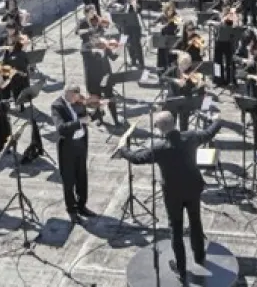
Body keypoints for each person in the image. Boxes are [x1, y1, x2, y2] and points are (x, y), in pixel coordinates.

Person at [115, 110, 224, 282]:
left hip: (173, 193)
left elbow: (137, 158)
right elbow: (210, 132)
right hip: (193, 187)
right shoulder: (190, 137)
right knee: (195, 221)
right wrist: (218, 120)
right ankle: (199, 256)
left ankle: (181, 269)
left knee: (176, 229)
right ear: (174, 122)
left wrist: (123, 150)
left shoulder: (158, 148)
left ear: (159, 128)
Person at [51, 84, 95, 223]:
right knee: (69, 179)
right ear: (67, 93)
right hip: (68, 148)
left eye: (78, 96)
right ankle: (71, 209)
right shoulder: (57, 106)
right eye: (74, 96)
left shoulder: (77, 102)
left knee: (82, 176)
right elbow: (61, 128)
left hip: (81, 144)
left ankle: (82, 205)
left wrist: (95, 109)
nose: (77, 99)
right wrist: (79, 122)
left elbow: (85, 115)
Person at [167, 52, 203, 132]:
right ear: (179, 62)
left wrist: (199, 86)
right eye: (183, 64)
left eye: (187, 64)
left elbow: (198, 89)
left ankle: (183, 137)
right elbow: (162, 77)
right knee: (172, 121)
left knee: (184, 123)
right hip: (173, 98)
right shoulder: (173, 69)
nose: (185, 67)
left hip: (185, 100)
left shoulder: (192, 72)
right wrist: (174, 80)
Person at [112, 0, 145, 69]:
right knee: (129, 44)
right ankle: (133, 60)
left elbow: (140, 9)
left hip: (135, 24)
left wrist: (135, 6)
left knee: (136, 44)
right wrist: (118, 6)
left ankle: (141, 62)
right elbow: (112, 5)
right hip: (125, 24)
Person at [212, 0, 239, 87]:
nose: (225, 8)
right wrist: (219, 22)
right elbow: (211, 22)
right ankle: (218, 80)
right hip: (219, 42)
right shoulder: (219, 15)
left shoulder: (232, 15)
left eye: (227, 5)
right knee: (217, 62)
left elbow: (236, 25)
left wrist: (233, 15)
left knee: (230, 62)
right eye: (224, 6)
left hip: (229, 42)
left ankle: (230, 80)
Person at [155, 2, 181, 72]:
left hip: (172, 38)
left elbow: (179, 26)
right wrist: (159, 26)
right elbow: (154, 24)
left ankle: (171, 70)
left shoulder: (176, 16)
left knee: (171, 55)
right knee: (162, 56)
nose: (171, 11)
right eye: (169, 10)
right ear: (166, 10)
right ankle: (162, 71)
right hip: (163, 38)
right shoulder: (162, 16)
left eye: (172, 10)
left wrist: (177, 29)